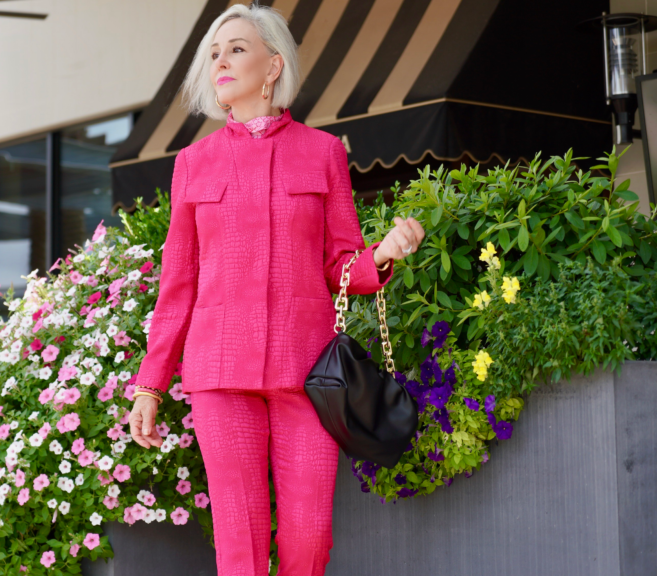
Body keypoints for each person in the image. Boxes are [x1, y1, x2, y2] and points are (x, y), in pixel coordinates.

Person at [128, 4, 424, 575]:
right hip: (220, 373)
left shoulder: (323, 153)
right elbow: (178, 283)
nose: (221, 61)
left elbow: (341, 263)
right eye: (214, 53)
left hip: (306, 371)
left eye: (237, 48)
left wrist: (380, 255)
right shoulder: (192, 163)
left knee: (309, 539)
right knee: (239, 544)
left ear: (272, 66)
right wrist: (151, 384)